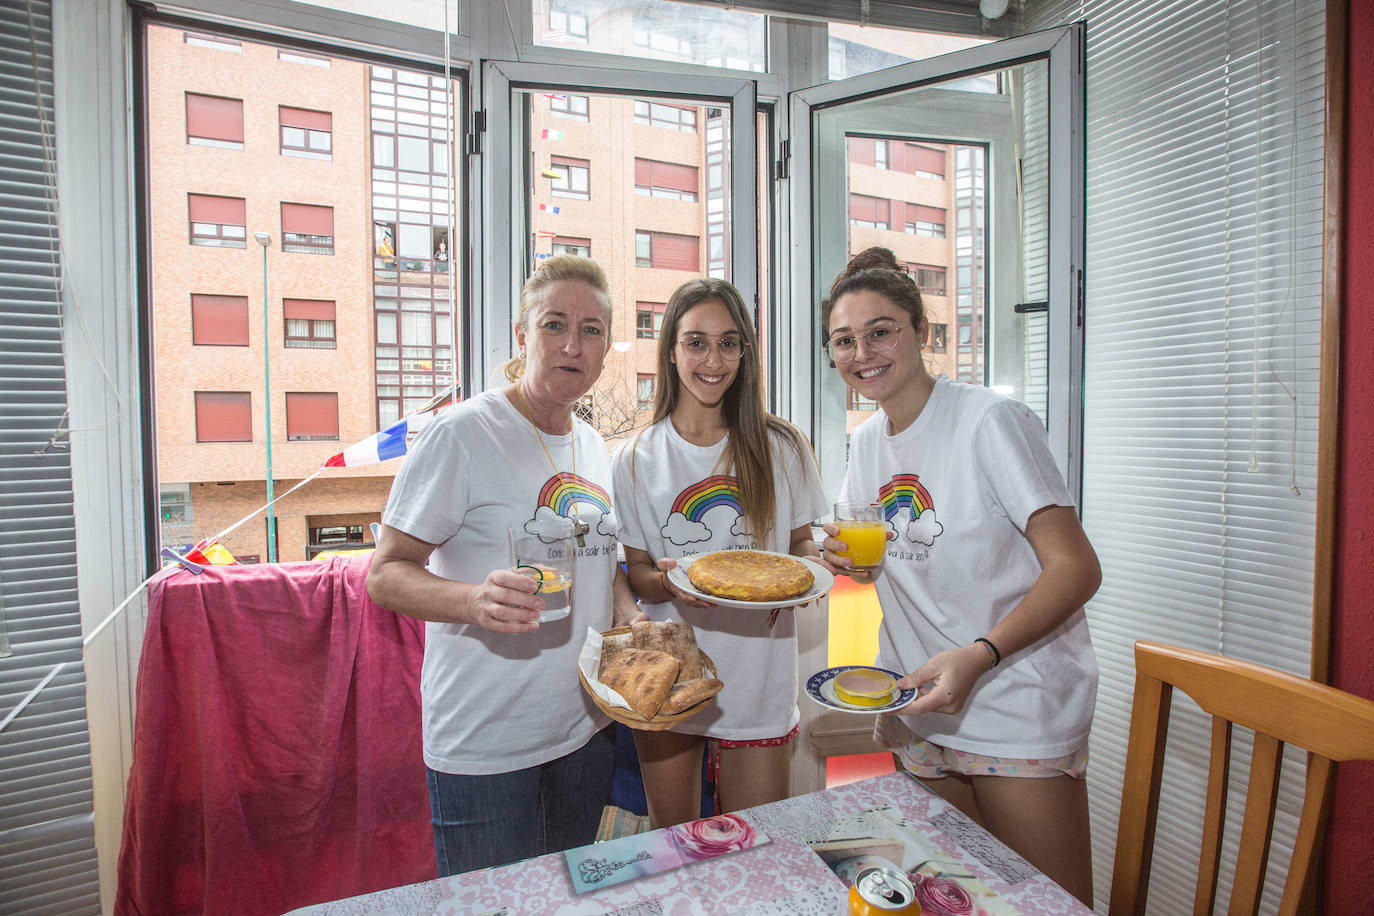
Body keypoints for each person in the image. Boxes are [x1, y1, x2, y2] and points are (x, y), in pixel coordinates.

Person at [818, 247, 1101, 904]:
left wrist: (981, 655)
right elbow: (878, 557)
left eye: (881, 330)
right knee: (952, 902)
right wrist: (850, 560)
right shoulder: (866, 442)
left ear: (921, 330)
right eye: (844, 340)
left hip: (1012, 703)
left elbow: (1076, 567)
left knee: (1044, 906)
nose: (863, 352)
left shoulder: (988, 421)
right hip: (919, 708)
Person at [367, 254, 644, 876]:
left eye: (592, 329)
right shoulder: (463, 434)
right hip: (486, 741)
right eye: (554, 324)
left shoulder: (594, 445)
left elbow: (604, 565)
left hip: (585, 728)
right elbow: (385, 573)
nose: (573, 344)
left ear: (605, 348)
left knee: (566, 897)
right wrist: (473, 601)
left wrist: (631, 617)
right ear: (523, 335)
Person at [612, 277, 828, 828]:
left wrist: (811, 569)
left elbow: (801, 543)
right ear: (672, 350)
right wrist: (666, 583)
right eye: (696, 342)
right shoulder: (636, 457)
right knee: (675, 844)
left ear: (745, 353)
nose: (714, 359)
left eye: (729, 342)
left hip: (758, 677)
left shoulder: (782, 446)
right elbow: (636, 573)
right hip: (672, 673)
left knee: (755, 849)